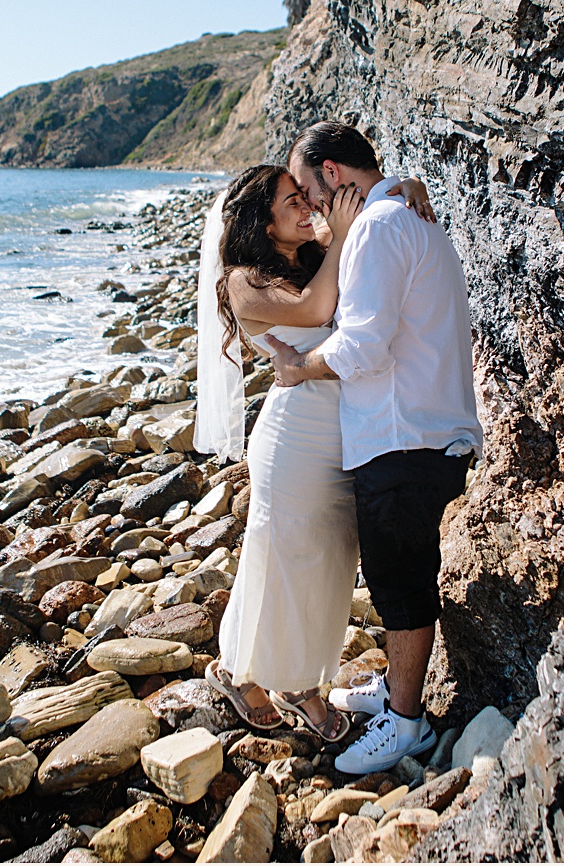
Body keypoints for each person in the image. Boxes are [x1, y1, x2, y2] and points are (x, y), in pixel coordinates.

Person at [264, 119, 483, 776]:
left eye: (307, 188)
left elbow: (363, 347)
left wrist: (299, 369)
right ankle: (396, 690)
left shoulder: (383, 228)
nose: (307, 205)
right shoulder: (400, 218)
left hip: (402, 435)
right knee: (399, 576)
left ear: (333, 174)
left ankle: (408, 722)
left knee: (401, 586)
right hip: (422, 427)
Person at [196, 163, 434, 742]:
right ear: (262, 221)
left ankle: (261, 671)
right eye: (290, 202)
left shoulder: (310, 253)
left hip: (345, 429)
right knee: (288, 560)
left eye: (306, 197)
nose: (307, 208)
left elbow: (367, 218)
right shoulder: (242, 280)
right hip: (294, 438)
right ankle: (286, 684)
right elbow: (315, 311)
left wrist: (404, 190)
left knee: (329, 562)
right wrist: (344, 235)